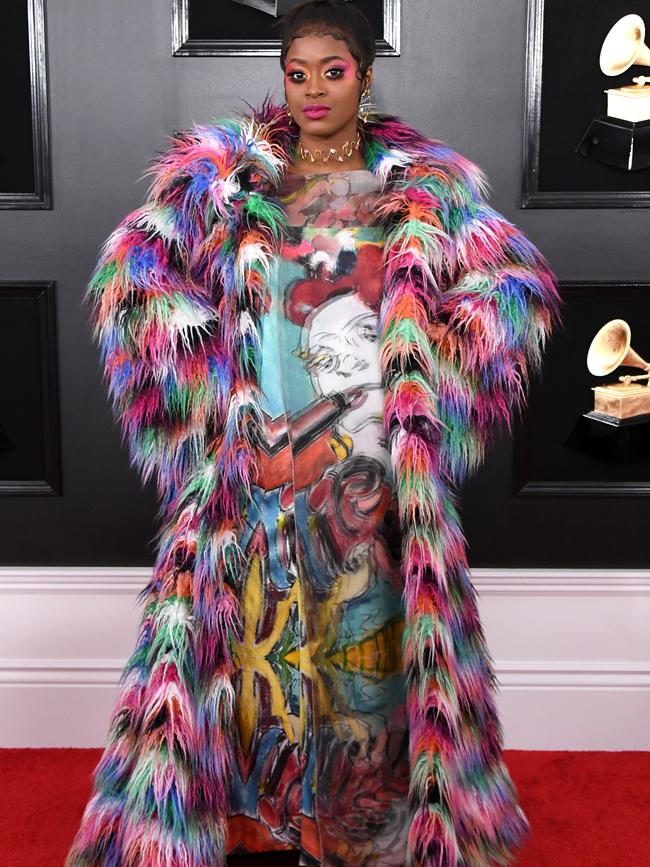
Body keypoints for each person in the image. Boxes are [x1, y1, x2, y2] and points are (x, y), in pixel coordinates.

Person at [65, 2, 562, 865]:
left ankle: (361, 829)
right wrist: (213, 393)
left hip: (367, 457)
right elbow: (130, 280)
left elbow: (511, 289)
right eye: (298, 73)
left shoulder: (419, 185)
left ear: (364, 76)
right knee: (249, 639)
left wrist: (418, 390)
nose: (314, 90)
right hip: (258, 453)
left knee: (360, 637)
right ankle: (259, 821)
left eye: (333, 72)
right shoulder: (229, 176)